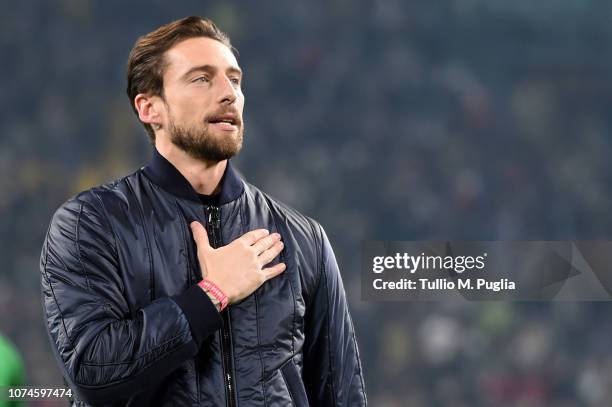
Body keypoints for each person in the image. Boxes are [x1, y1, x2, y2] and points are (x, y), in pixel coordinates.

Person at [40, 16, 366, 406]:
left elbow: (342, 393)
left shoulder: (302, 237)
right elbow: (91, 373)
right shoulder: (88, 224)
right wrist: (210, 296)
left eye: (235, 79)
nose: (229, 93)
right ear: (149, 108)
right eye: (202, 78)